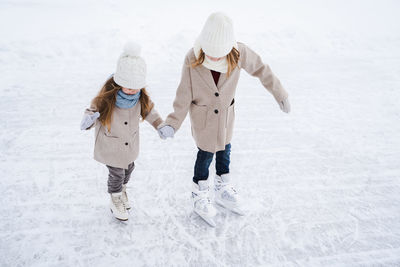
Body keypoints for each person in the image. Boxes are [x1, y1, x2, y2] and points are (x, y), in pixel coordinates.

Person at [158, 12, 290, 226]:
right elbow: (184, 94)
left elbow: (262, 70)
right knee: (205, 155)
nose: (215, 58)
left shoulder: (239, 53)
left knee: (225, 151)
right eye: (211, 53)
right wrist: (172, 123)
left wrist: (280, 93)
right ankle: (199, 193)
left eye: (219, 54)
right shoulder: (192, 57)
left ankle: (222, 187)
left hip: (226, 119)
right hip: (204, 120)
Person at [81, 42, 163, 221]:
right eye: (128, 86)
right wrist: (89, 120)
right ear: (119, 82)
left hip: (129, 144)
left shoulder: (140, 97)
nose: (132, 90)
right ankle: (115, 197)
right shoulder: (107, 97)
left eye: (136, 86)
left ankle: (122, 190)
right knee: (117, 173)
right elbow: (92, 111)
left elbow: (150, 112)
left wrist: (160, 125)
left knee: (129, 168)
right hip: (111, 144)